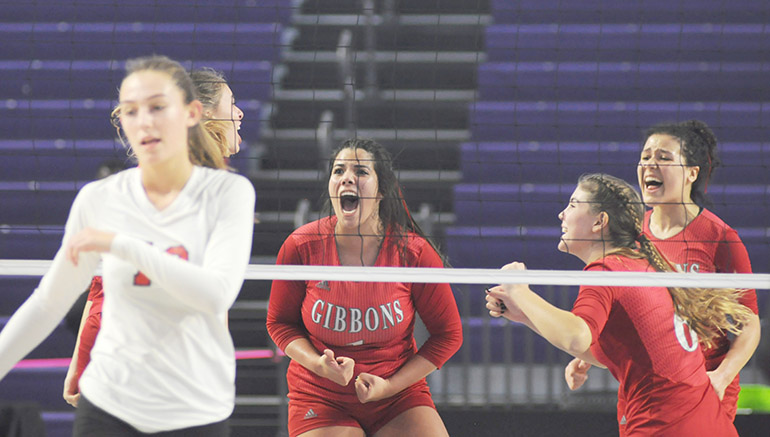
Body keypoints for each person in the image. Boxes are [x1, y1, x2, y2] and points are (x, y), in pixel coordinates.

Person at [0, 55, 255, 436]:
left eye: (157, 107)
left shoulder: (228, 192)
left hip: (194, 406)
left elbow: (216, 295)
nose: (145, 121)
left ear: (190, 114)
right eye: (132, 111)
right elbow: (47, 303)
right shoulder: (99, 198)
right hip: (109, 403)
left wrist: (123, 245)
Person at [485, 173, 753, 436]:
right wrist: (524, 316)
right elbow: (611, 354)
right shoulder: (640, 266)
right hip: (706, 421)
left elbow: (576, 337)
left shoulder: (607, 270)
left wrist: (520, 290)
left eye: (573, 205)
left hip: (666, 426)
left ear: (599, 221)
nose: (562, 214)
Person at [62, 66, 247, 409]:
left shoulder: (141, 180)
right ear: (204, 113)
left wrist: (78, 362)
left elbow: (102, 281)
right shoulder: (213, 190)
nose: (239, 112)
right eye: (231, 103)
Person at [565, 120, 761, 425]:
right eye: (645, 157)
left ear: (692, 173)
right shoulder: (631, 234)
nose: (649, 165)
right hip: (647, 383)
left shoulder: (720, 237)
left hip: (704, 384)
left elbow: (749, 325)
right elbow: (626, 308)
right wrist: (591, 352)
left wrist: (721, 377)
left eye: (664, 158)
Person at [266, 138, 463, 437]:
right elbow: (279, 323)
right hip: (320, 394)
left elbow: (449, 335)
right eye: (338, 170)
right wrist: (319, 364)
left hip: (396, 395)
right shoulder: (301, 246)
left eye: (360, 171)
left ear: (381, 190)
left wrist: (390, 386)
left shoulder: (413, 252)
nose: (347, 177)